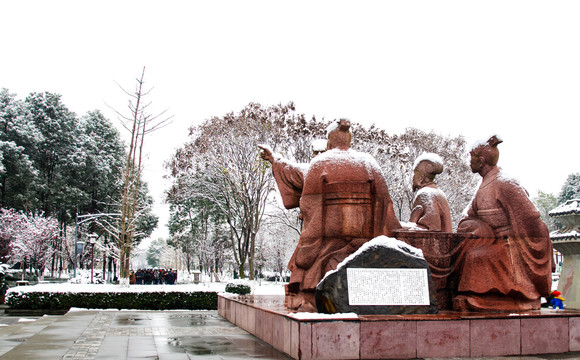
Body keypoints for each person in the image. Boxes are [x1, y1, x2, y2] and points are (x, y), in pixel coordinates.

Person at [259, 119, 402, 311]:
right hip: (366, 242)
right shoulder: (370, 164)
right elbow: (385, 205)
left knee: (301, 258)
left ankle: (307, 297)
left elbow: (310, 207)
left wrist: (308, 245)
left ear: (329, 143)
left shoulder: (319, 165)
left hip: (326, 243)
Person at [453, 135, 553, 311]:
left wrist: (528, 244)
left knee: (475, 257)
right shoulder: (483, 185)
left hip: (511, 246)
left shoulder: (505, 183)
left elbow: (530, 219)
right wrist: (477, 226)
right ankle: (479, 297)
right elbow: (468, 215)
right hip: (492, 241)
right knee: (462, 252)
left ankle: (491, 297)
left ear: (481, 160)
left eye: (472, 158)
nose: (469, 162)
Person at [409, 153, 453, 232]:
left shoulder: (425, 194)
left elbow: (431, 229)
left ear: (421, 178)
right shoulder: (438, 193)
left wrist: (412, 221)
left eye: (415, 174)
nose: (412, 177)